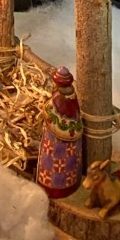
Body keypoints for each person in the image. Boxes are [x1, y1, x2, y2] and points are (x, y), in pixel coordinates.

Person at [36, 66, 83, 199]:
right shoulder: (71, 96)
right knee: (68, 161)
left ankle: (54, 188)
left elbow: (49, 111)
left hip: (56, 141)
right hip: (70, 137)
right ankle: (66, 185)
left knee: (54, 162)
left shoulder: (59, 98)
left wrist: (45, 108)